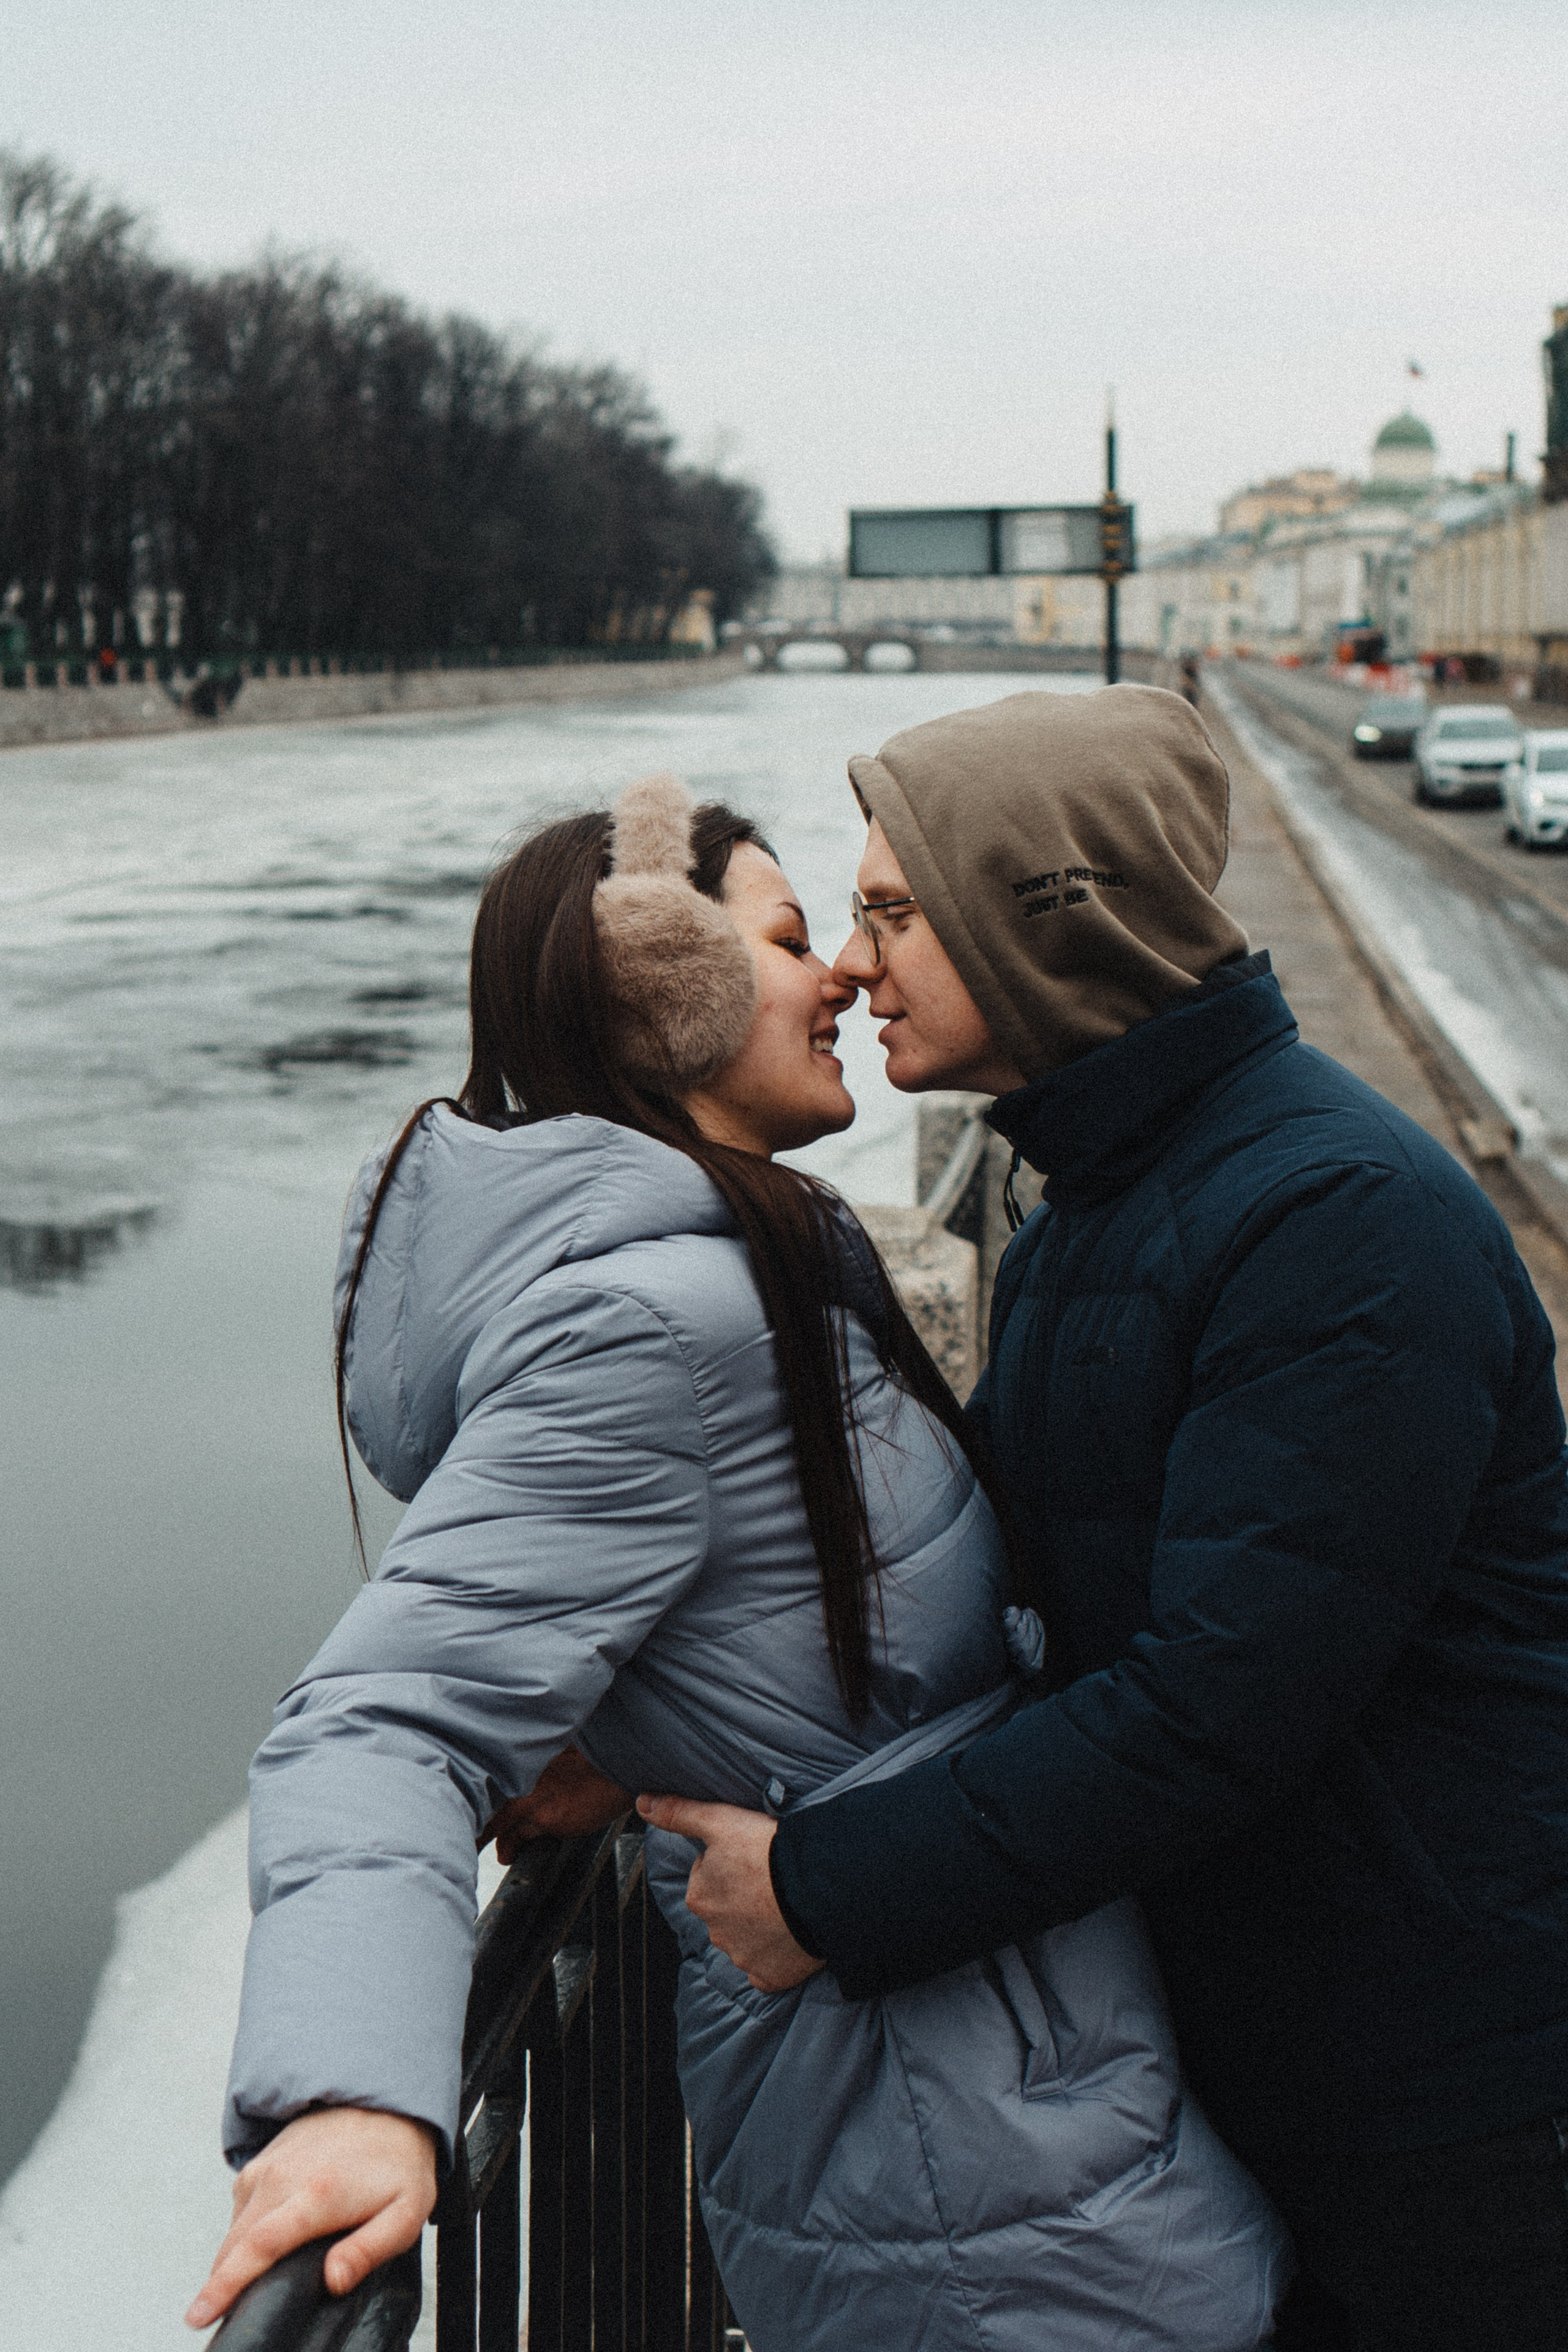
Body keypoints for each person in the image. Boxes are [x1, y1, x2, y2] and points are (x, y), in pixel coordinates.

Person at [189, 772, 1288, 2349]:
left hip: (999, 2121)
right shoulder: (655, 1329)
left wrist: (620, 1730)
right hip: (956, 2179)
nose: (841, 969)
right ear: (664, 991)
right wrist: (352, 2091)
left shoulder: (739, 1272)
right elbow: (381, 1722)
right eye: (790, 937)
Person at [639, 687, 1568, 2352]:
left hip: (1448, 2086)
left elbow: (1216, 1707)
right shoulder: (1109, 1206)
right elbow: (977, 1592)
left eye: (896, 914)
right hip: (1271, 2030)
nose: (853, 966)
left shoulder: (1335, 1221)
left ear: (1043, 921)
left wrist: (831, 1889)